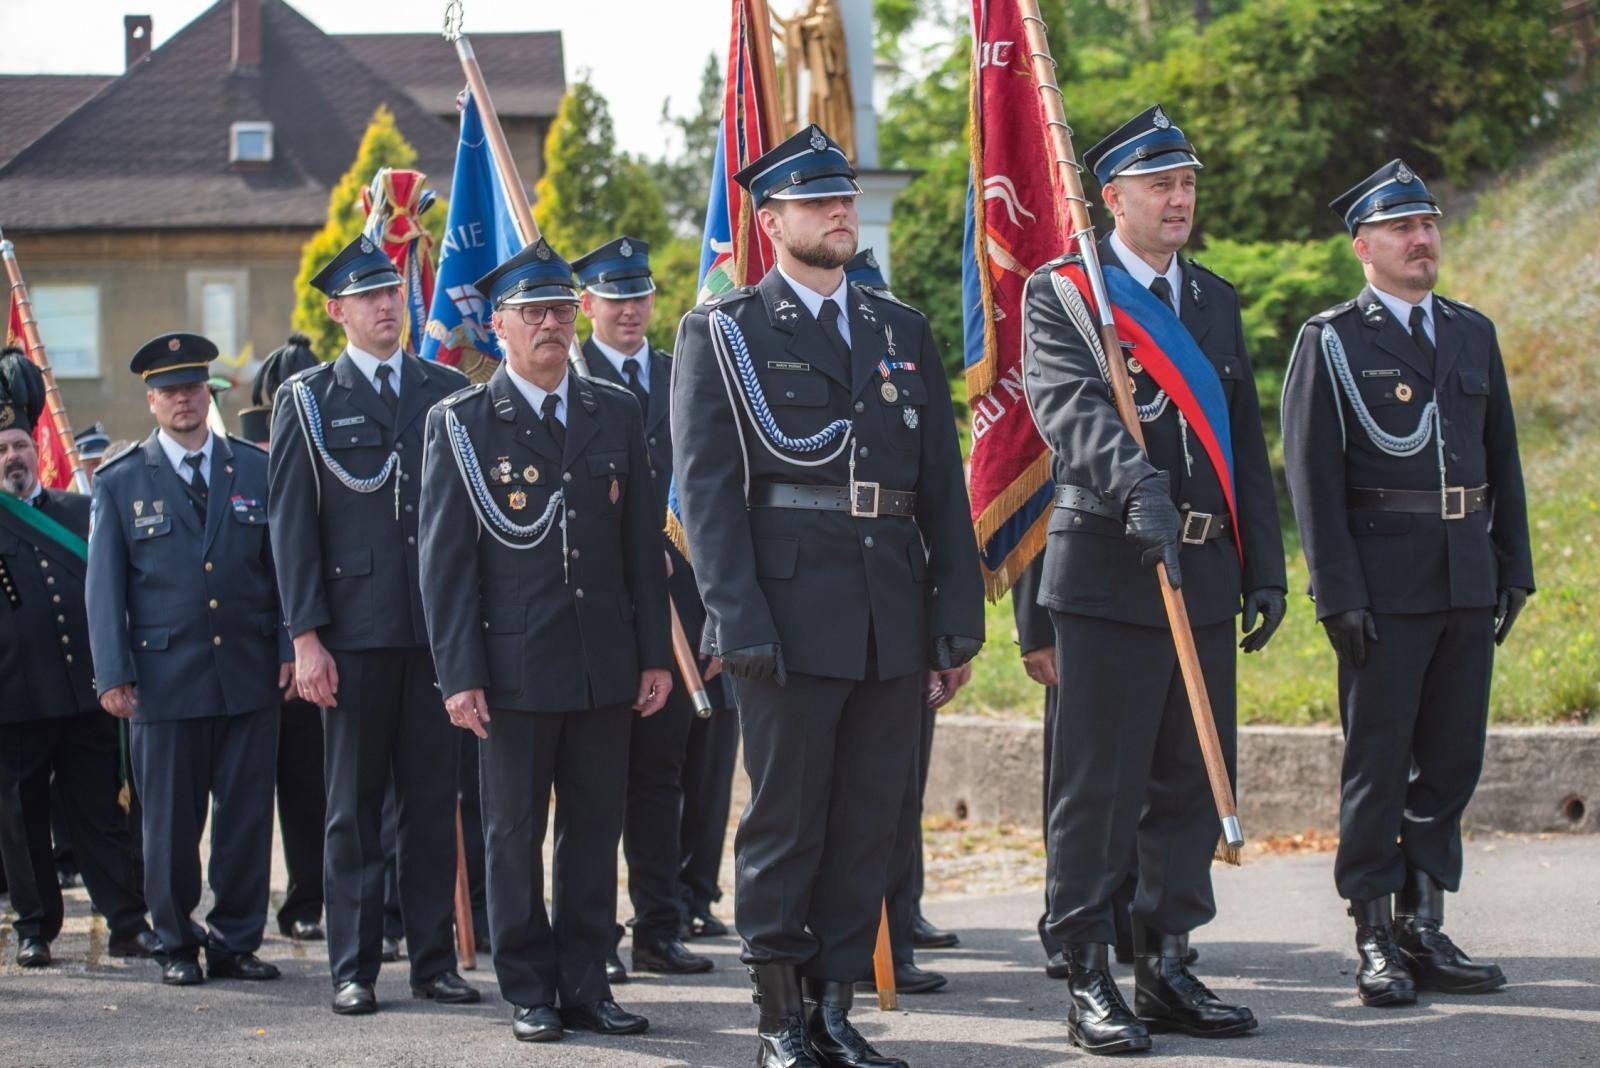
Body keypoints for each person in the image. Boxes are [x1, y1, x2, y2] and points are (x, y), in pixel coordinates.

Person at [672, 124, 984, 1068]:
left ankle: (834, 1007)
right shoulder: (721, 332)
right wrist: (736, 616)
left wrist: (954, 619)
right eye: (816, 201)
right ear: (771, 223)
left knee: (868, 822)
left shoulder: (900, 329)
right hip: (787, 614)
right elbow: (710, 493)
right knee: (787, 818)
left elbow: (941, 486)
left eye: (843, 197)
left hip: (890, 613)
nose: (839, 212)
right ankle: (777, 1014)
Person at [1021, 105, 1286, 1054]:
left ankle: (1167, 961)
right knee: (1099, 784)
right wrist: (1135, 483)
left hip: (1205, 569)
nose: (1180, 200)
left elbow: (1242, 444)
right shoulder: (1065, 294)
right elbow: (1067, 409)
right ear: (1114, 197)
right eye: (1160, 185)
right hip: (1107, 569)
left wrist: (1264, 563)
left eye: (1188, 184)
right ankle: (1088, 967)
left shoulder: (1212, 297)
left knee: (1184, 775)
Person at [1281, 159, 1533, 1008]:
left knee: (1453, 759)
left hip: (1467, 571)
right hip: (1384, 584)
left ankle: (1427, 922)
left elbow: (1504, 460)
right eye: (1400, 229)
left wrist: (1515, 567)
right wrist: (1336, 592)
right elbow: (1313, 480)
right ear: (1363, 246)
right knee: (1379, 762)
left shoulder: (1471, 332)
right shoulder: (1333, 340)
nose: (1421, 240)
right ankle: (1373, 932)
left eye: (1427, 226)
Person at [418, 238, 671, 1044]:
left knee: (596, 828)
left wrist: (655, 654)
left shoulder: (615, 410)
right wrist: (459, 674)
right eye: (534, 313)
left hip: (603, 661)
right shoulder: (460, 423)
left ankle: (587, 982)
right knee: (514, 834)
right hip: (513, 665)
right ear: (499, 328)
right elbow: (444, 563)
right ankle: (529, 985)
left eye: (562, 310)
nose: (553, 325)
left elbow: (640, 545)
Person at [267, 235, 477, 1015]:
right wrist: (306, 638)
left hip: (435, 636)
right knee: (352, 810)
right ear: (337, 311)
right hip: (351, 637)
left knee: (430, 805)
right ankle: (352, 968)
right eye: (369, 296)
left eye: (393, 292)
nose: (388, 306)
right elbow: (291, 529)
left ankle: (432, 963)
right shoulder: (309, 399)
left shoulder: (445, 388)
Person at [85, 332, 289, 987]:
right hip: (164, 681)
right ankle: (175, 941)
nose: (184, 400)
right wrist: (112, 672)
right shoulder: (119, 482)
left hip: (249, 676)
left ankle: (234, 940)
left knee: (246, 819)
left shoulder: (252, 468)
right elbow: (104, 587)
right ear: (151, 401)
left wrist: (289, 647)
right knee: (170, 827)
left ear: (210, 394)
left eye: (193, 388)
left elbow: (282, 569)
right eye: (170, 391)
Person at [571, 234, 721, 981]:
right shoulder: (564, 382)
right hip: (600, 609)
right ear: (585, 305)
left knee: (662, 780)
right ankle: (594, 935)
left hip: (682, 612)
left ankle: (659, 927)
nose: (630, 309)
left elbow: (720, 487)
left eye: (640, 295)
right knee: (598, 784)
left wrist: (717, 611)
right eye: (613, 296)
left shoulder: (679, 373)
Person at [0, 350, 155, 969]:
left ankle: (125, 921)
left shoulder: (78, 512)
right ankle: (36, 926)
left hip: (86, 695)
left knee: (101, 815)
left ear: (35, 445)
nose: (12, 455)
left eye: (18, 443)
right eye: (0, 447)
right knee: (23, 818)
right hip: (15, 704)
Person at [845, 249, 962, 998]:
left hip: (900, 600)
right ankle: (844, 946)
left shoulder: (903, 348)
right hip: (827, 604)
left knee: (896, 790)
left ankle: (899, 922)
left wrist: (945, 623)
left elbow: (937, 495)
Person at [240, 333, 328, 943]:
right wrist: (284, 646)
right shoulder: (245, 475)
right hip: (266, 659)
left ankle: (330, 898)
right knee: (276, 795)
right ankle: (293, 900)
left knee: (330, 792)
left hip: (330, 648)